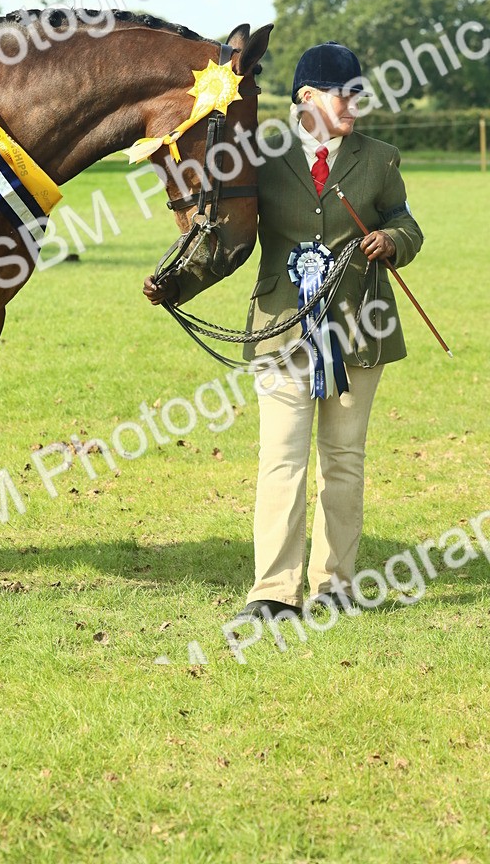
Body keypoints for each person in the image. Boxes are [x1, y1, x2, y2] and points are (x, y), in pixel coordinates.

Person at [143, 41, 424, 620]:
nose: (355, 103)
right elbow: (227, 234)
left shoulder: (380, 158)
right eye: (344, 93)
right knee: (281, 458)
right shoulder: (262, 156)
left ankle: (335, 584)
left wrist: (393, 241)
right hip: (281, 330)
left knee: (344, 458)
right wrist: (177, 283)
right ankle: (273, 592)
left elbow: (405, 222)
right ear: (307, 98)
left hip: (359, 329)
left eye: (358, 93)